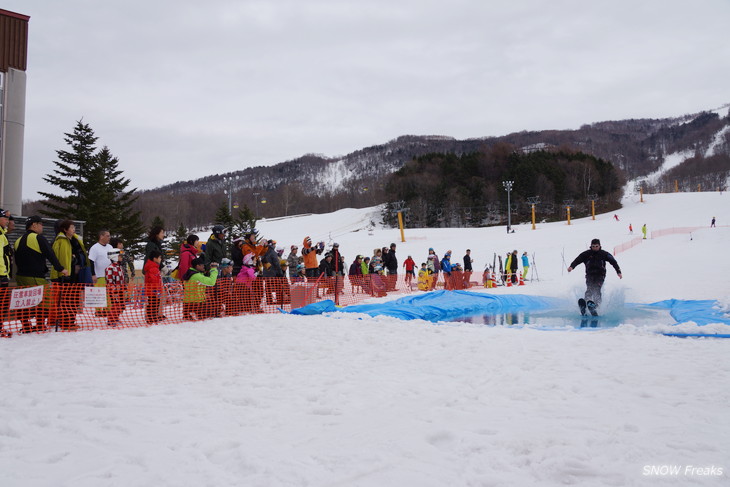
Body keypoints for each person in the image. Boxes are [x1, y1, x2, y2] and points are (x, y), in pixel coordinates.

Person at [14, 216, 68, 333]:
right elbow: (50, 254)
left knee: (24, 302)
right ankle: (39, 325)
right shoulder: (38, 238)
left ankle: (26, 326)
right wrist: (60, 268)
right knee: (45, 301)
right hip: (35, 276)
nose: (42, 226)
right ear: (34, 225)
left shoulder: (18, 240)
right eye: (41, 224)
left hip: (20, 276)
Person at [51, 220, 88, 330]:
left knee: (75, 299)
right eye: (71, 227)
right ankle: (65, 322)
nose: (74, 229)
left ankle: (71, 321)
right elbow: (59, 258)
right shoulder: (60, 241)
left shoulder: (76, 240)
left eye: (74, 227)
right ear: (65, 230)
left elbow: (82, 254)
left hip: (77, 274)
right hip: (66, 274)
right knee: (66, 300)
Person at [567, 238, 622, 309]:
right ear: (591, 246)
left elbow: (613, 262)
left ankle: (597, 305)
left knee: (597, 288)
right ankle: (586, 302)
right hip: (589, 275)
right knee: (589, 288)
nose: (595, 248)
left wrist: (618, 271)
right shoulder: (586, 254)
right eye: (593, 246)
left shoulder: (604, 254)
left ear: (599, 246)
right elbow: (577, 260)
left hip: (600, 275)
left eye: (596, 246)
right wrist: (571, 266)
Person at [105, 248, 126, 327]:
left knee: (120, 304)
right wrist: (113, 289)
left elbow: (121, 278)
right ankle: (111, 320)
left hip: (120, 289)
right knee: (115, 304)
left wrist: (124, 287)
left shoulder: (119, 267)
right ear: (115, 256)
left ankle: (116, 318)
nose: (121, 257)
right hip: (114, 290)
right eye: (120, 256)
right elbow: (109, 280)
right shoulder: (110, 268)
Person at [143, 249, 165, 324]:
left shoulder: (154, 267)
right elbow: (154, 281)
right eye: (159, 258)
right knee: (153, 304)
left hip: (153, 290)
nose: (160, 259)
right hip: (153, 291)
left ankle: (153, 317)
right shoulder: (153, 268)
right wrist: (156, 290)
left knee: (154, 304)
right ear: (155, 258)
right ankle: (151, 318)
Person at [0, 210, 12, 337]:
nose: (7, 221)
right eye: (4, 218)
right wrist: (3, 274)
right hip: (0, 274)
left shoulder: (2, 234)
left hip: (2, 273)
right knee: (1, 303)